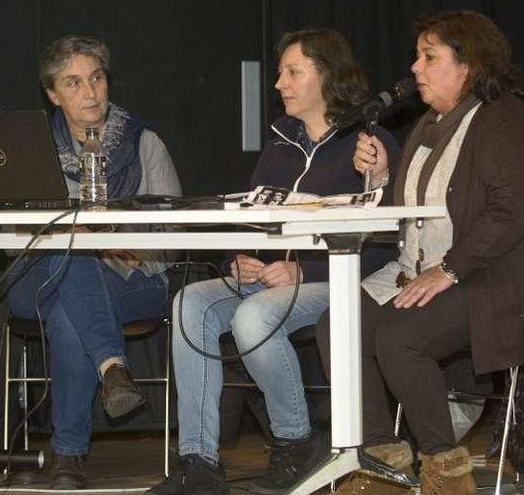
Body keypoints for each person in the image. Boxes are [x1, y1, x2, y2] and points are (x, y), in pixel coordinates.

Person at [315, 10, 524, 495]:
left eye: (429, 57)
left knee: (400, 338)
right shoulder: (429, 124)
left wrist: (450, 269)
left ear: (468, 65)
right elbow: (412, 212)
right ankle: (382, 463)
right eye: (417, 56)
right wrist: (381, 175)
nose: (415, 67)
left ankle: (444, 468)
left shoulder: (507, 121)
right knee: (339, 325)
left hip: (502, 277)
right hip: (429, 270)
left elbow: (510, 211)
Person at [148, 28, 398, 495]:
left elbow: (386, 244)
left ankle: (295, 442)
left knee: (256, 314)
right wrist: (239, 259)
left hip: (338, 280)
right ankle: (198, 461)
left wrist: (305, 271)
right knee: (189, 304)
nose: (279, 83)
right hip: (271, 281)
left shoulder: (369, 146)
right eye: (281, 72)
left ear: (327, 76)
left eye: (292, 72)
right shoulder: (280, 146)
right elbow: (252, 220)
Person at [5, 34, 182, 490]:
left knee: (71, 311)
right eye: (73, 82)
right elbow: (9, 243)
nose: (89, 92)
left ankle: (68, 454)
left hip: (135, 278)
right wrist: (72, 236)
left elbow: (175, 239)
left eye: (97, 78)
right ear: (53, 94)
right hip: (38, 281)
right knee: (72, 256)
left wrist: (118, 246)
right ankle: (112, 367)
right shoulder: (30, 150)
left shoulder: (144, 143)